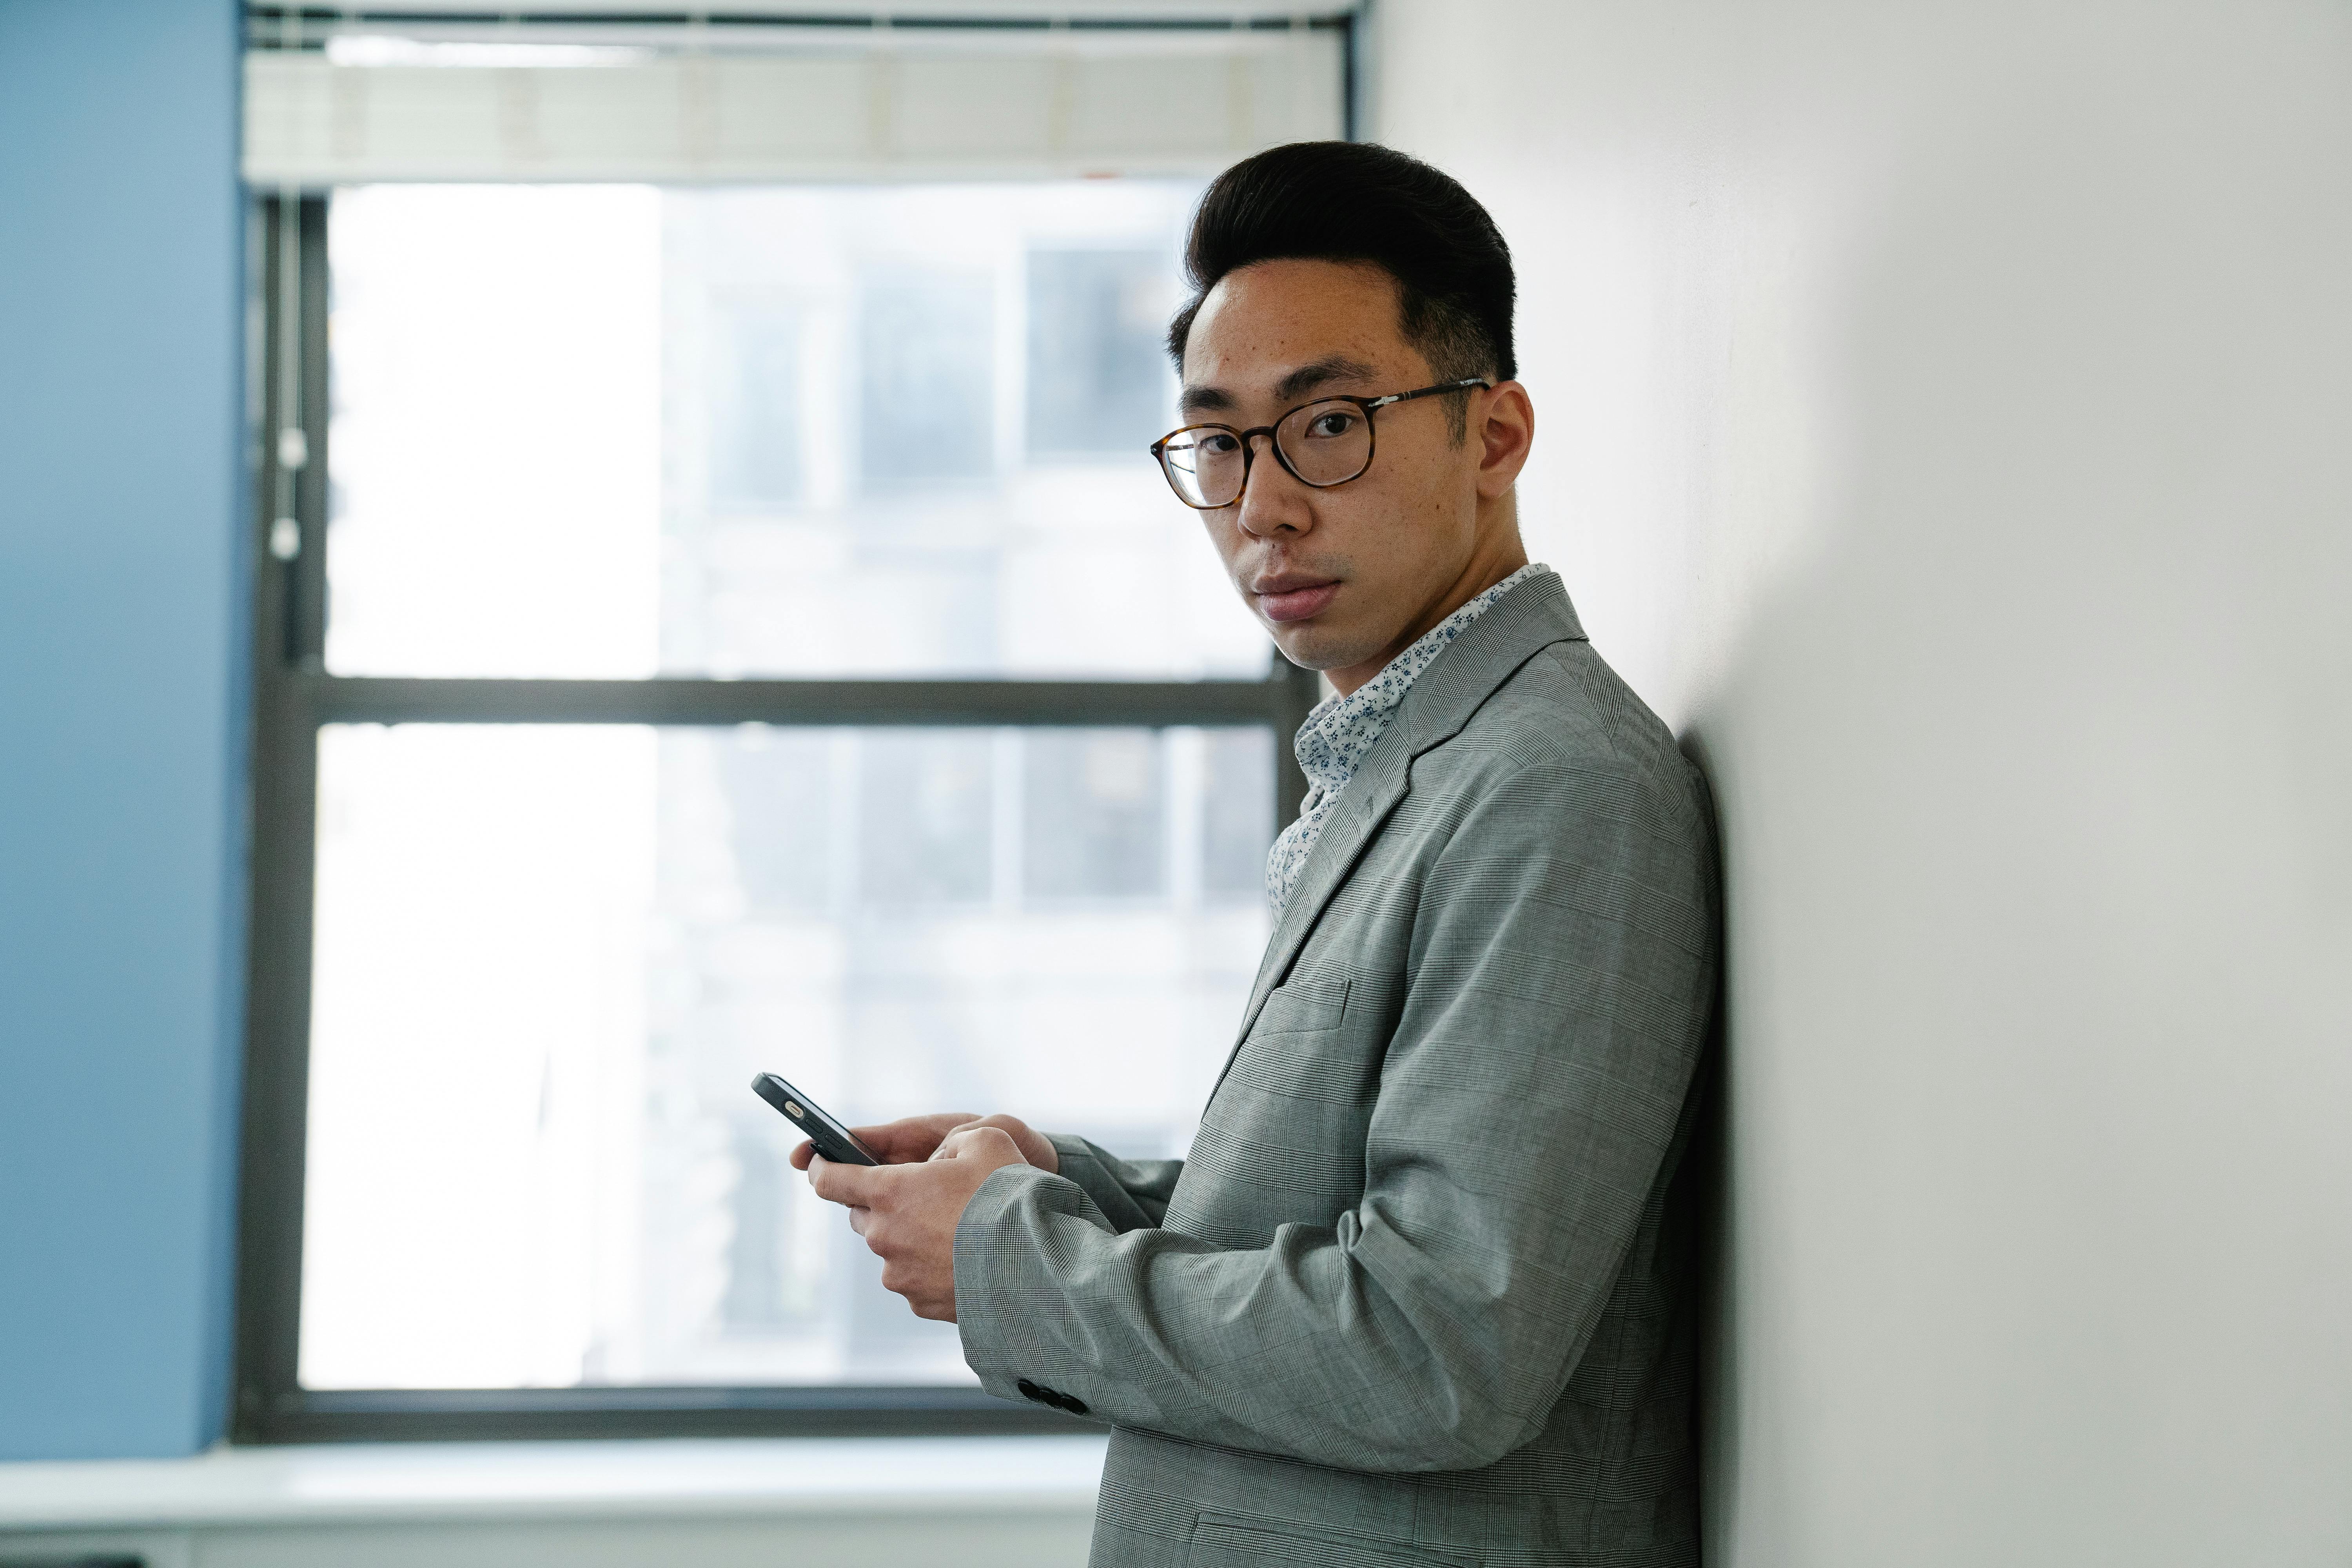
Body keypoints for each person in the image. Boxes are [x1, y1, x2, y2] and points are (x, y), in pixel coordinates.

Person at [795, 141, 1720, 1568]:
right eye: (1218, 442)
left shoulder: (1559, 788)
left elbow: (1440, 1345)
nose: (1262, 505)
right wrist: (1062, 1184)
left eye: (1330, 424)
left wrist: (1008, 1260)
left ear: (1494, 433)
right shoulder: (1402, 761)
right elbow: (1340, 1206)